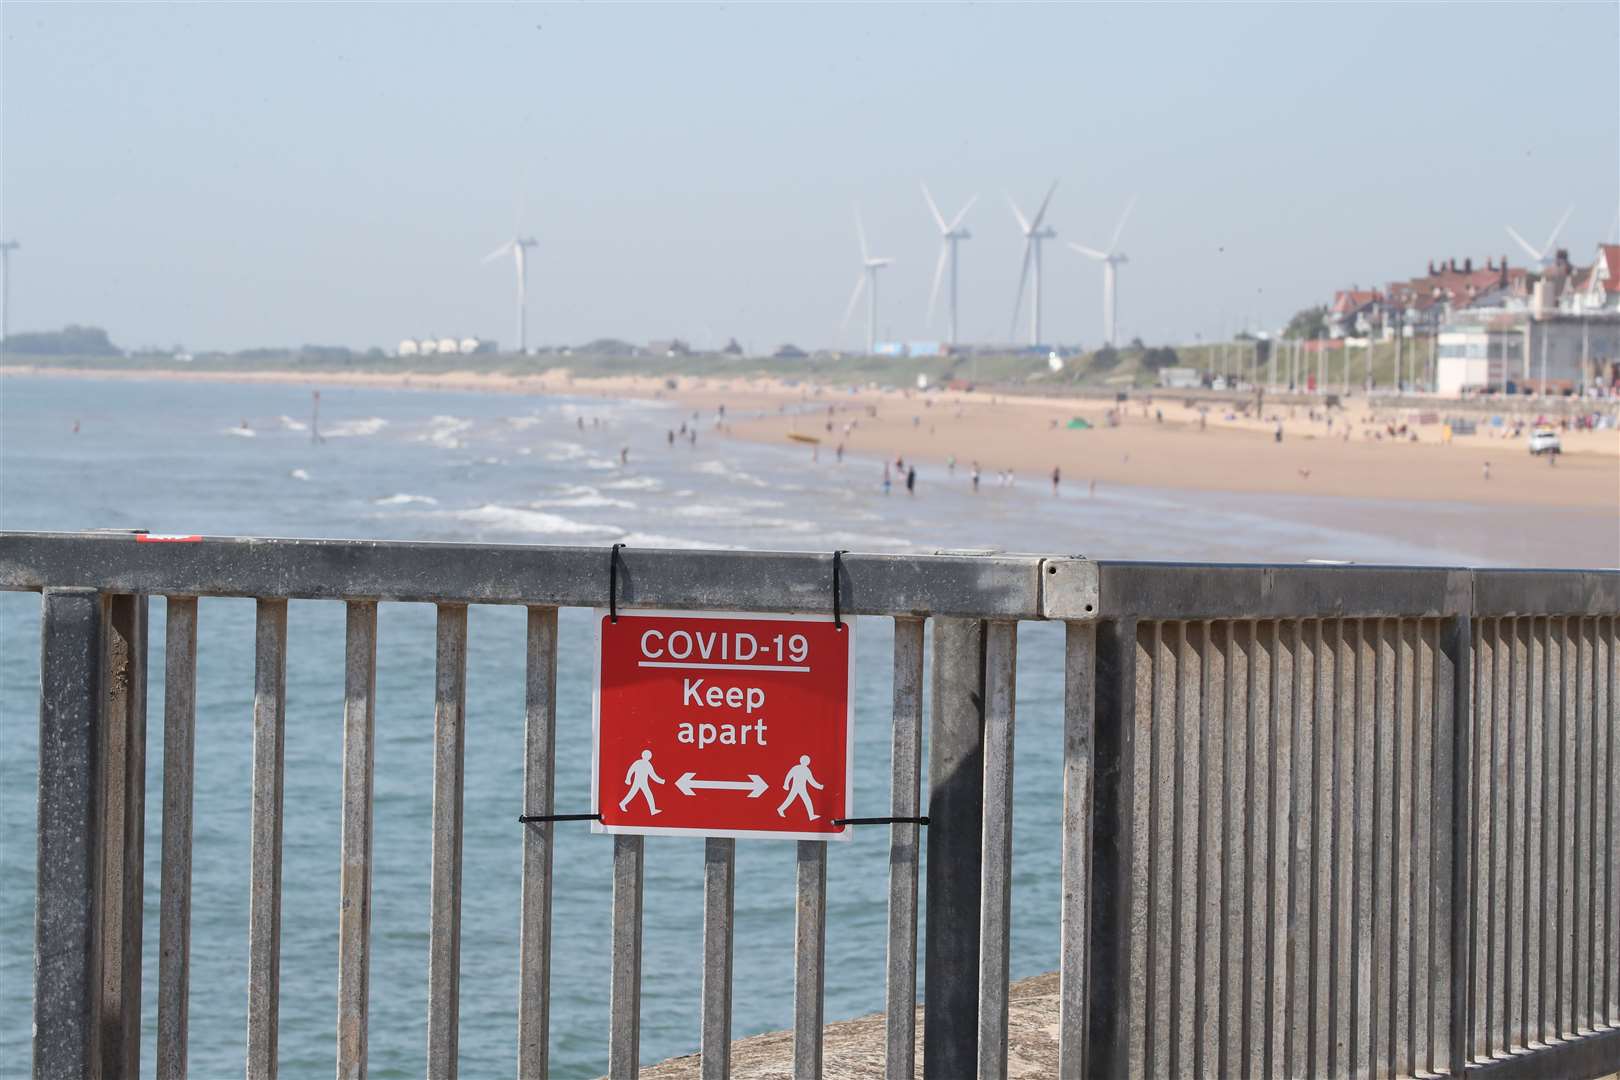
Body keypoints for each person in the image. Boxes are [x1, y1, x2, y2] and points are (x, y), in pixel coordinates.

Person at [776, 755, 824, 821]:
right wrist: (786, 784)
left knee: (805, 800)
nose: (807, 762)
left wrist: (819, 786)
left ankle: (811, 815)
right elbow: (789, 775)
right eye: (806, 760)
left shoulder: (805, 770)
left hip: (801, 788)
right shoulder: (797, 768)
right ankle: (780, 809)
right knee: (793, 800)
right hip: (796, 787)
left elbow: (811, 781)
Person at [619, 750, 664, 816]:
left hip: (642, 782)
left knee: (641, 794)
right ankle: (622, 803)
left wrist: (661, 781)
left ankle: (653, 810)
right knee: (640, 794)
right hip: (639, 782)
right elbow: (631, 770)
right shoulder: (642, 763)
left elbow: (652, 775)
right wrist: (627, 779)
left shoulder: (645, 764)